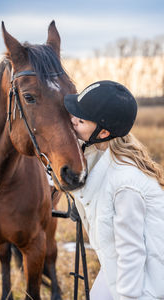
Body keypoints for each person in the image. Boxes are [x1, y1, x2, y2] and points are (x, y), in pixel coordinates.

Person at [64, 80, 164, 300]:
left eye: (79, 120)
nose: (71, 121)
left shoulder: (125, 184)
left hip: (147, 284)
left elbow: (132, 253)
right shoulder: (101, 153)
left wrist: (128, 297)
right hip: (115, 265)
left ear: (102, 132)